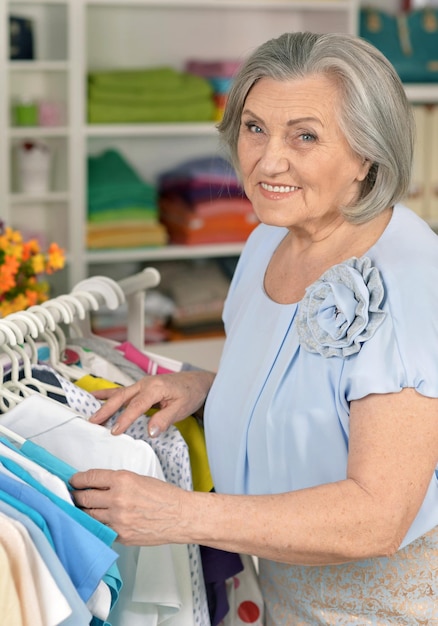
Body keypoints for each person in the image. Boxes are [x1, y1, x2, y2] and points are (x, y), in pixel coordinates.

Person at [71, 31, 438, 624]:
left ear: (368, 154)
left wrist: (181, 514)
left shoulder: (409, 286)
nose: (268, 161)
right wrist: (209, 385)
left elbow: (378, 514)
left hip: (385, 606)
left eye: (306, 135)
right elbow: (327, 386)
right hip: (281, 585)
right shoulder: (269, 239)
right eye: (254, 127)